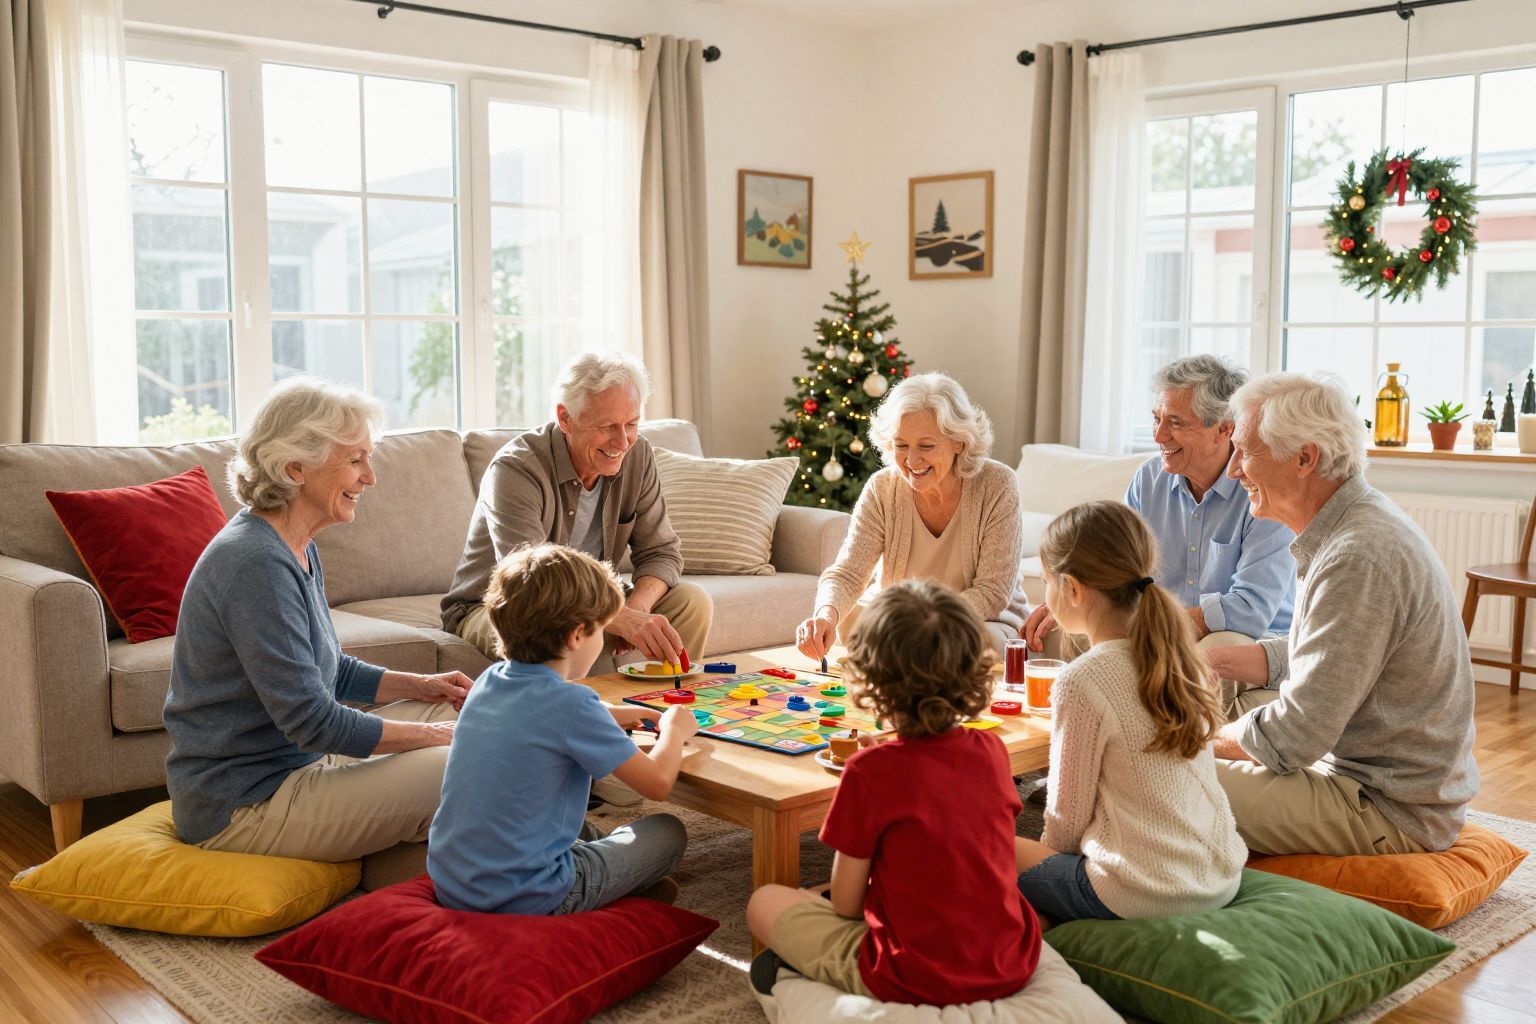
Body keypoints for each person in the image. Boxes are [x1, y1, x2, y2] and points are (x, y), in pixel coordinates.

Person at [165, 377, 474, 863]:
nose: (369, 477)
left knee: (469, 714)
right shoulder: (255, 563)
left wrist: (424, 686)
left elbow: (329, 672)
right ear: (295, 469)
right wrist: (441, 739)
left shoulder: (295, 545)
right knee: (475, 751)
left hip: (301, 766)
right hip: (248, 803)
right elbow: (314, 721)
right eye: (355, 460)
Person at [1208, 372, 1478, 856]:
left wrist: (1196, 740)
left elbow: (1296, 735)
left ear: (1305, 458)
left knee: (1162, 778)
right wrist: (1223, 662)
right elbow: (1335, 653)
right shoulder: (1350, 524)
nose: (1233, 472)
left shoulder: (1357, 554)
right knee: (1212, 661)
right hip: (1367, 775)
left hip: (1386, 807)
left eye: (1245, 452)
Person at [748, 580, 1041, 1006]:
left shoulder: (869, 772)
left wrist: (875, 772)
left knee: (766, 901)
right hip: (1012, 961)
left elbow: (847, 907)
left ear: (872, 679)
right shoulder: (993, 751)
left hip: (912, 975)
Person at [429, 543, 696, 915]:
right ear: (575, 636)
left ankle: (626, 884)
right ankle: (615, 890)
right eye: (601, 630)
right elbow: (657, 784)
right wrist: (673, 728)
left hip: (453, 881)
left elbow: (547, 715)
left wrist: (616, 714)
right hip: (533, 894)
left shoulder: (491, 680)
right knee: (668, 831)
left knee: (572, 825)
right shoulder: (573, 707)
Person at [1014, 501, 1245, 924]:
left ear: (1072, 588)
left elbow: (1065, 823)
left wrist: (1044, 874)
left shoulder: (1083, 679)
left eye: (1047, 582)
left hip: (1141, 893)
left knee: (987, 847)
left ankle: (1051, 927)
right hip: (1219, 877)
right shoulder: (1178, 656)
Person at [1023, 356, 1295, 688]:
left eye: (1177, 423)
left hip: (1247, 637)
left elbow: (1249, 609)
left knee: (1212, 654)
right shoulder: (1149, 480)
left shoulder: (1262, 489)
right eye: (1157, 419)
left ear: (1224, 428)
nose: (1159, 436)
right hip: (1159, 627)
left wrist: (1155, 624)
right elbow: (1118, 566)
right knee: (1066, 632)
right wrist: (1070, 602)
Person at [441, 351, 712, 673]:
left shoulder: (638, 455)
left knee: (691, 602)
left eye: (632, 424)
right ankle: (575, 718)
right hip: (504, 606)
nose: (622, 441)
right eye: (607, 426)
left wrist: (636, 609)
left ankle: (671, 710)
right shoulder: (515, 470)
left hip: (591, 599)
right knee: (551, 629)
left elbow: (661, 552)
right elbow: (533, 582)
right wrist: (618, 617)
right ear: (565, 417)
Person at [795, 373, 1026, 660]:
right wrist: (825, 615)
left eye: (926, 446)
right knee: (855, 621)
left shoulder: (997, 483)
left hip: (977, 620)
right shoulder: (882, 487)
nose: (911, 461)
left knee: (974, 646)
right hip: (899, 620)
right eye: (901, 445)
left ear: (959, 443)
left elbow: (992, 592)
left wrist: (921, 624)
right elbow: (849, 573)